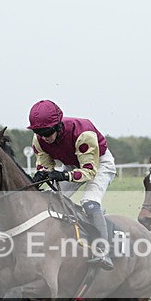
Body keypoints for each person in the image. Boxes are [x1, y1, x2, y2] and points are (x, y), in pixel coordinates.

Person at [27, 99, 116, 270]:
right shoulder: (39, 140)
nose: (45, 137)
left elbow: (89, 172)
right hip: (72, 164)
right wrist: (41, 175)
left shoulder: (83, 134)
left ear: (59, 125)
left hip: (100, 164)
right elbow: (45, 165)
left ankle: (104, 251)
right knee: (49, 201)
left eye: (48, 131)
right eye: (39, 132)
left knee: (89, 203)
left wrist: (62, 175)